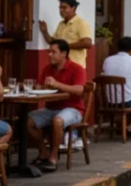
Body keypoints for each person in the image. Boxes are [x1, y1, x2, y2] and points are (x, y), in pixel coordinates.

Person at [28, 39, 87, 172]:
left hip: (73, 109)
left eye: (53, 52)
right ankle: (44, 151)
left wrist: (57, 85)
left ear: (64, 53)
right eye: (49, 52)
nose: (49, 55)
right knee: (27, 121)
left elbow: (79, 90)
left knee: (57, 121)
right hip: (52, 108)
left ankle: (53, 158)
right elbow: (42, 86)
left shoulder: (77, 69)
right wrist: (39, 86)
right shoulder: (48, 69)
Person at [38, 0, 93, 68]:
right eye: (60, 8)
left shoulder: (81, 23)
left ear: (73, 8)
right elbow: (54, 42)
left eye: (64, 8)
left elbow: (88, 43)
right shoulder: (61, 24)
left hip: (75, 66)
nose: (61, 10)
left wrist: (66, 47)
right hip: (61, 66)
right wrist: (45, 32)